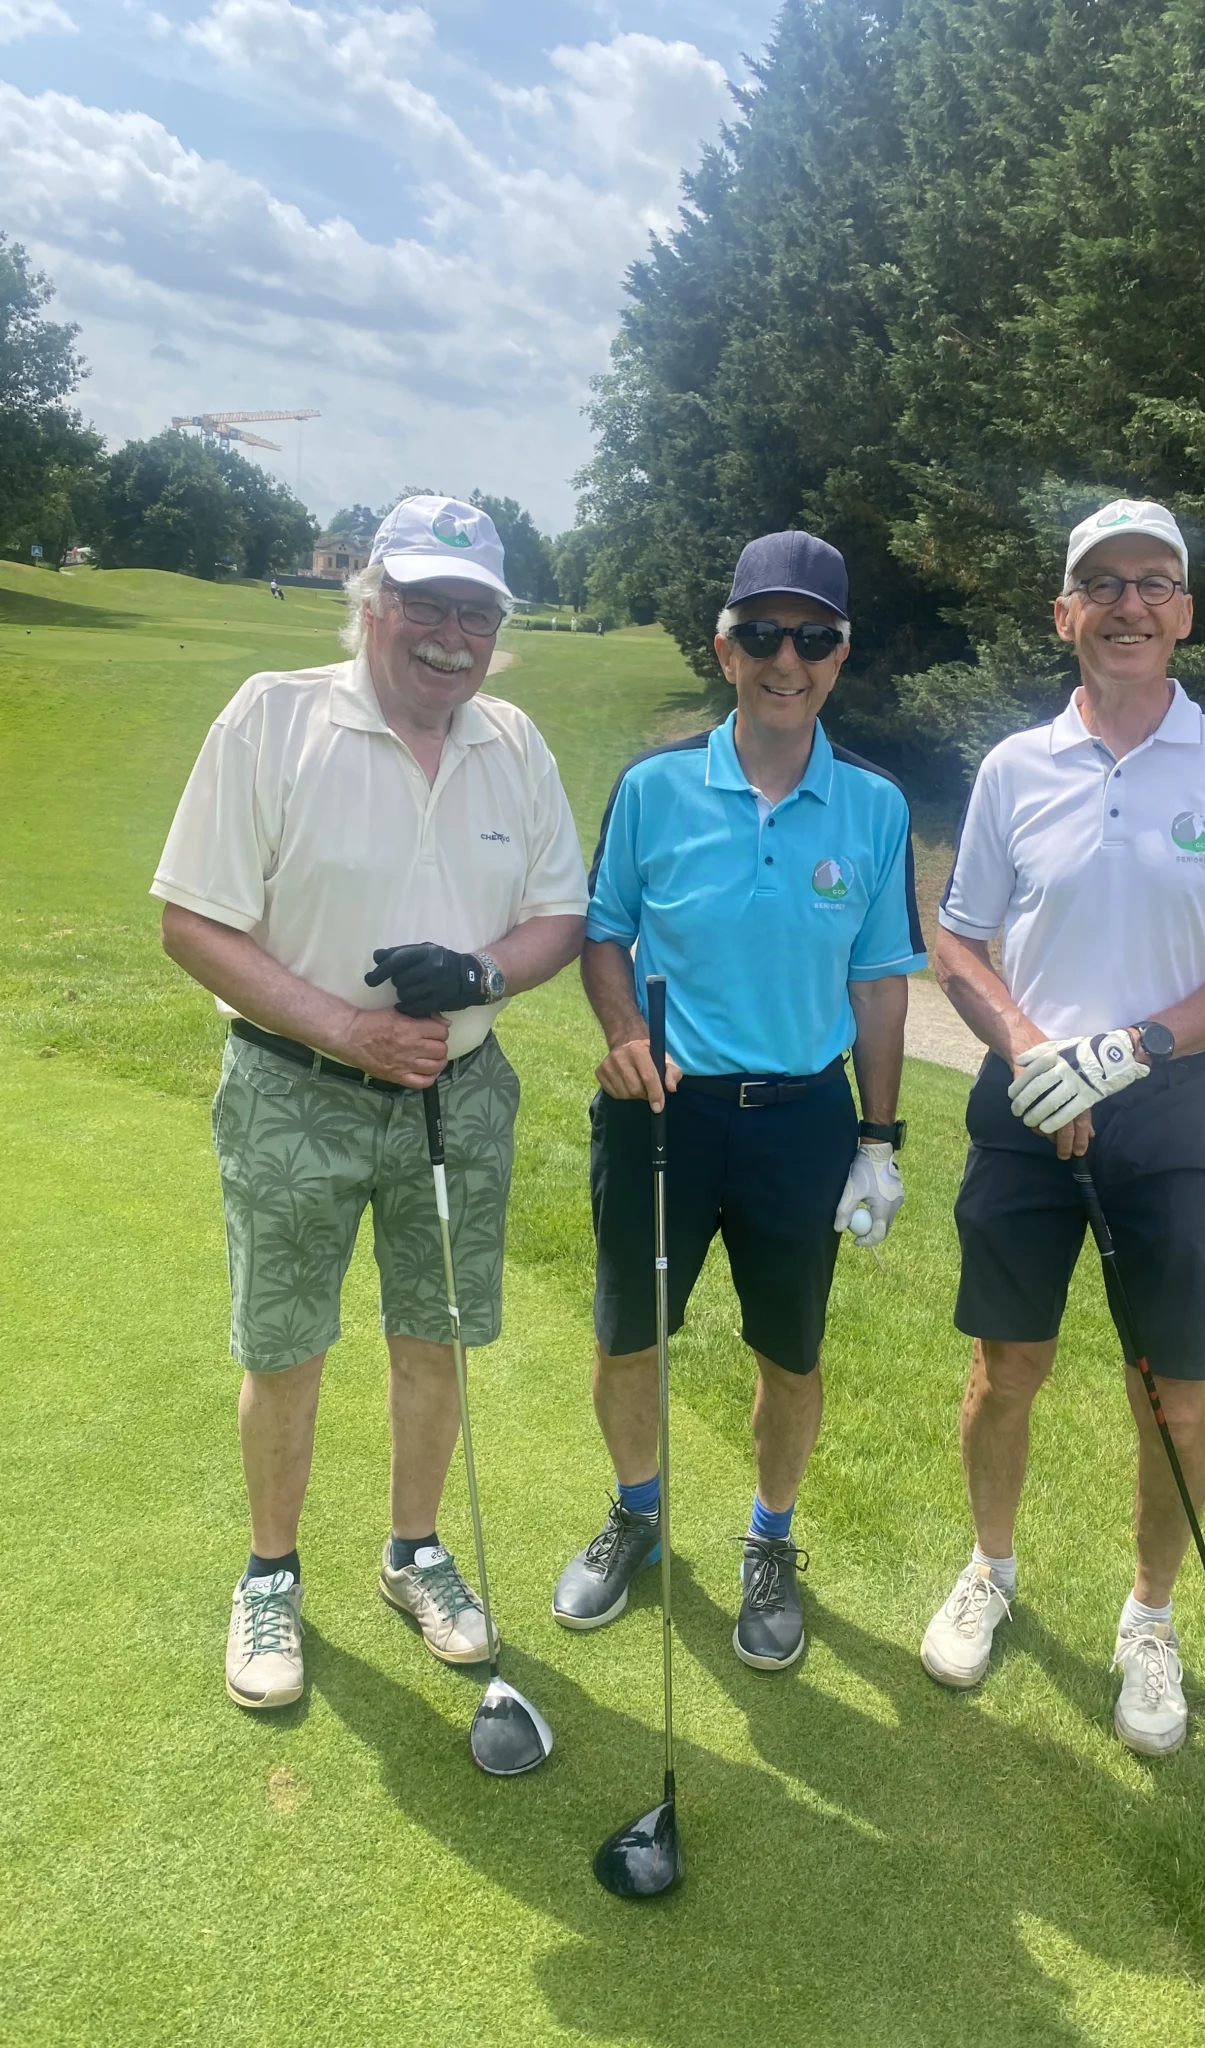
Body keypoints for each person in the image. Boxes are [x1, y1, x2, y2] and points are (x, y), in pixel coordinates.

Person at [152, 495, 589, 1712]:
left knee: (434, 1335)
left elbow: (560, 913)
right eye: (424, 603)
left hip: (458, 1094)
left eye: (475, 613)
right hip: (296, 1088)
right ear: (372, 601)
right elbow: (192, 922)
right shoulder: (273, 716)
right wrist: (347, 1026)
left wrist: (486, 973)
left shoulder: (514, 741)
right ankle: (270, 1573)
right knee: (284, 1343)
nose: (450, 635)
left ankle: (414, 1551)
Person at [921, 499, 1205, 1755]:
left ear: (1184, 612)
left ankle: (1150, 1617)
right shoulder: (1014, 765)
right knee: (1004, 1369)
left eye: (1153, 583)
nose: (1128, 604)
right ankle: (991, 1567)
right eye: (1102, 584)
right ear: (1065, 614)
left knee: (1173, 1398)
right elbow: (957, 939)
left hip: (1177, 1105)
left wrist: (1132, 1048)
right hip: (1029, 1100)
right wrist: (1031, 1049)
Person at [552, 531, 926, 1671]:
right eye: (761, 633)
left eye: (812, 638)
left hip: (803, 1120)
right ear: (724, 649)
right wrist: (624, 1036)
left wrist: (878, 1140)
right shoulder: (655, 785)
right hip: (662, 1109)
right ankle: (637, 1514)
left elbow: (879, 984)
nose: (785, 659)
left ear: (841, 655)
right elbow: (604, 932)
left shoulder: (875, 806)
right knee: (630, 1336)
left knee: (790, 1354)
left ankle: (770, 1538)